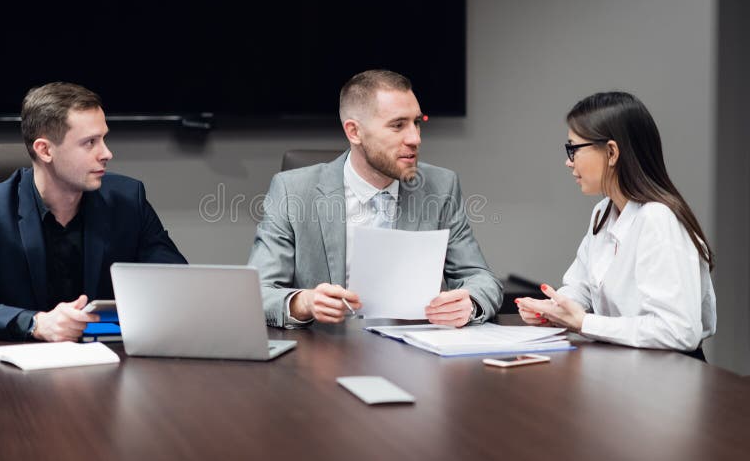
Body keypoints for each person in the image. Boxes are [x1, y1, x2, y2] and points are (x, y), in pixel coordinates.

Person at [0, 82, 187, 458]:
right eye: (89, 143)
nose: (107, 154)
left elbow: (178, 283)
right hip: (8, 375)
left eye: (104, 139)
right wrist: (36, 323)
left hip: (111, 372)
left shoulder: (128, 200)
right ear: (44, 149)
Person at [249, 69, 502, 328]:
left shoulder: (441, 186)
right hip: (326, 353)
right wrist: (303, 302)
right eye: (397, 125)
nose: (415, 138)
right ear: (354, 132)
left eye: (417, 122)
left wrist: (469, 304)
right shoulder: (293, 191)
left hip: (414, 353)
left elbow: (481, 278)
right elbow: (257, 293)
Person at [516, 91, 716, 358]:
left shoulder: (658, 218)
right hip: (627, 366)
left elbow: (679, 330)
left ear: (611, 152)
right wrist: (556, 308)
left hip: (669, 376)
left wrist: (583, 322)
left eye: (573, 149)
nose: (568, 161)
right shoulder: (603, 211)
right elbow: (582, 286)